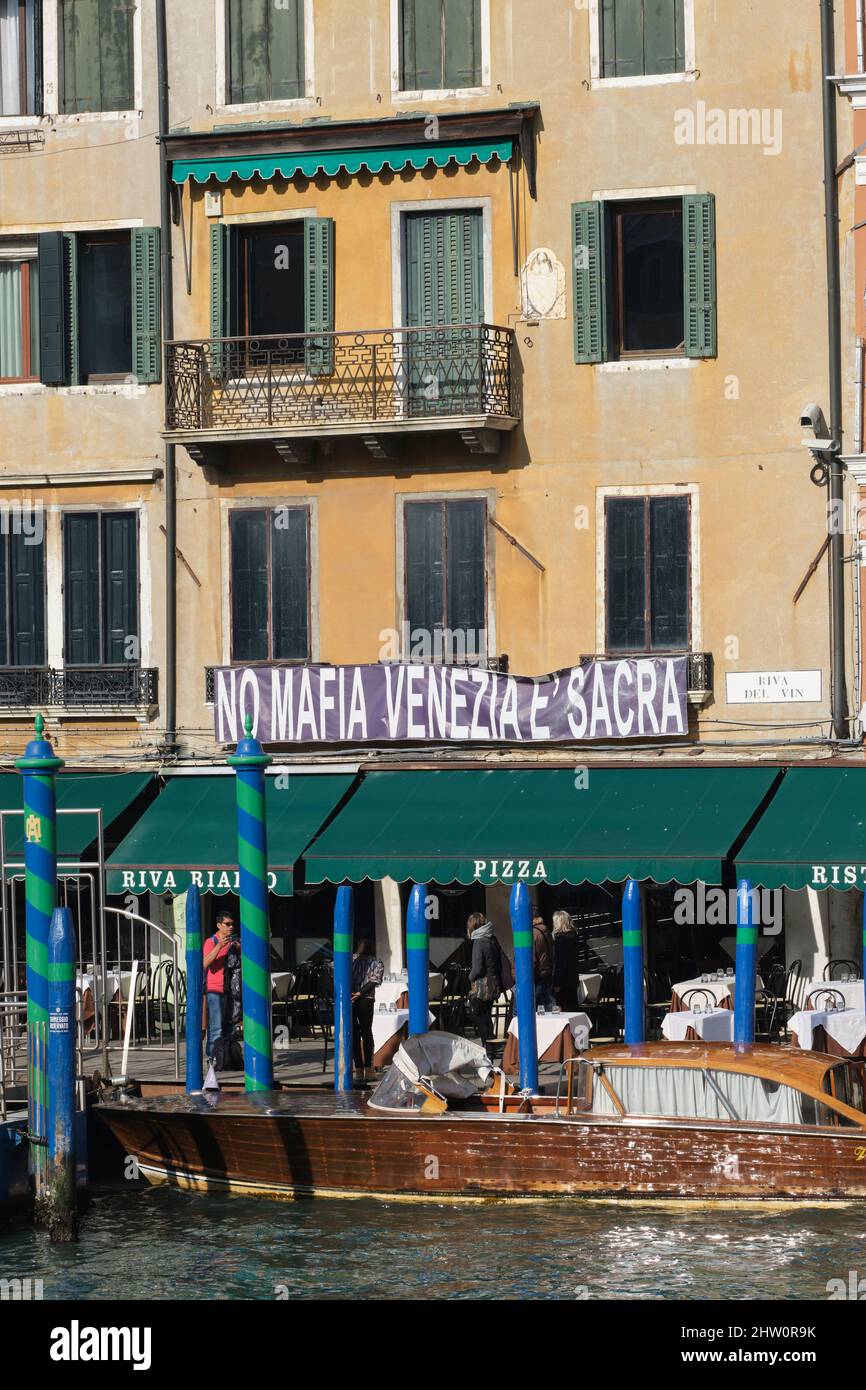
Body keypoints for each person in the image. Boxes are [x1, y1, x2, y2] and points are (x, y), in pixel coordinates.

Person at [203, 912, 237, 1061]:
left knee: (230, 1026)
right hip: (215, 989)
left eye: (232, 924)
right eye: (227, 924)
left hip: (231, 989)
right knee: (215, 1026)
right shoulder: (211, 941)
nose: (231, 927)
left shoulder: (234, 941)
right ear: (219, 925)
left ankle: (226, 1056)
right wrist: (219, 946)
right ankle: (212, 1057)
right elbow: (204, 963)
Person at [467, 911, 504, 1045]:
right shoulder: (491, 939)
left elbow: (477, 968)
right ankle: (490, 1043)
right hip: (493, 983)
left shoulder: (479, 942)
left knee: (478, 1015)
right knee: (487, 1014)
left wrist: (470, 977)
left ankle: (487, 1044)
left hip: (483, 986)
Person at [351, 939, 384, 1083]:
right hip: (366, 998)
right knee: (366, 1032)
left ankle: (358, 1069)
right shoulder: (377, 962)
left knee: (354, 1034)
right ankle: (369, 1069)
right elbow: (374, 980)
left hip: (350, 996)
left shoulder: (351, 959)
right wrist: (361, 992)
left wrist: (354, 992)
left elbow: (333, 969)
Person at [552, 910, 581, 1011]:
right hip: (572, 979)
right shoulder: (574, 937)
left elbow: (560, 963)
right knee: (573, 1005)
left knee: (561, 1009)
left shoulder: (561, 940)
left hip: (563, 981)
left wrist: (557, 983)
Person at [532, 913, 555, 1010]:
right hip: (547, 972)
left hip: (538, 975)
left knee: (537, 1008)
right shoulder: (545, 930)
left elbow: (532, 959)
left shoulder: (533, 933)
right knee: (549, 1005)